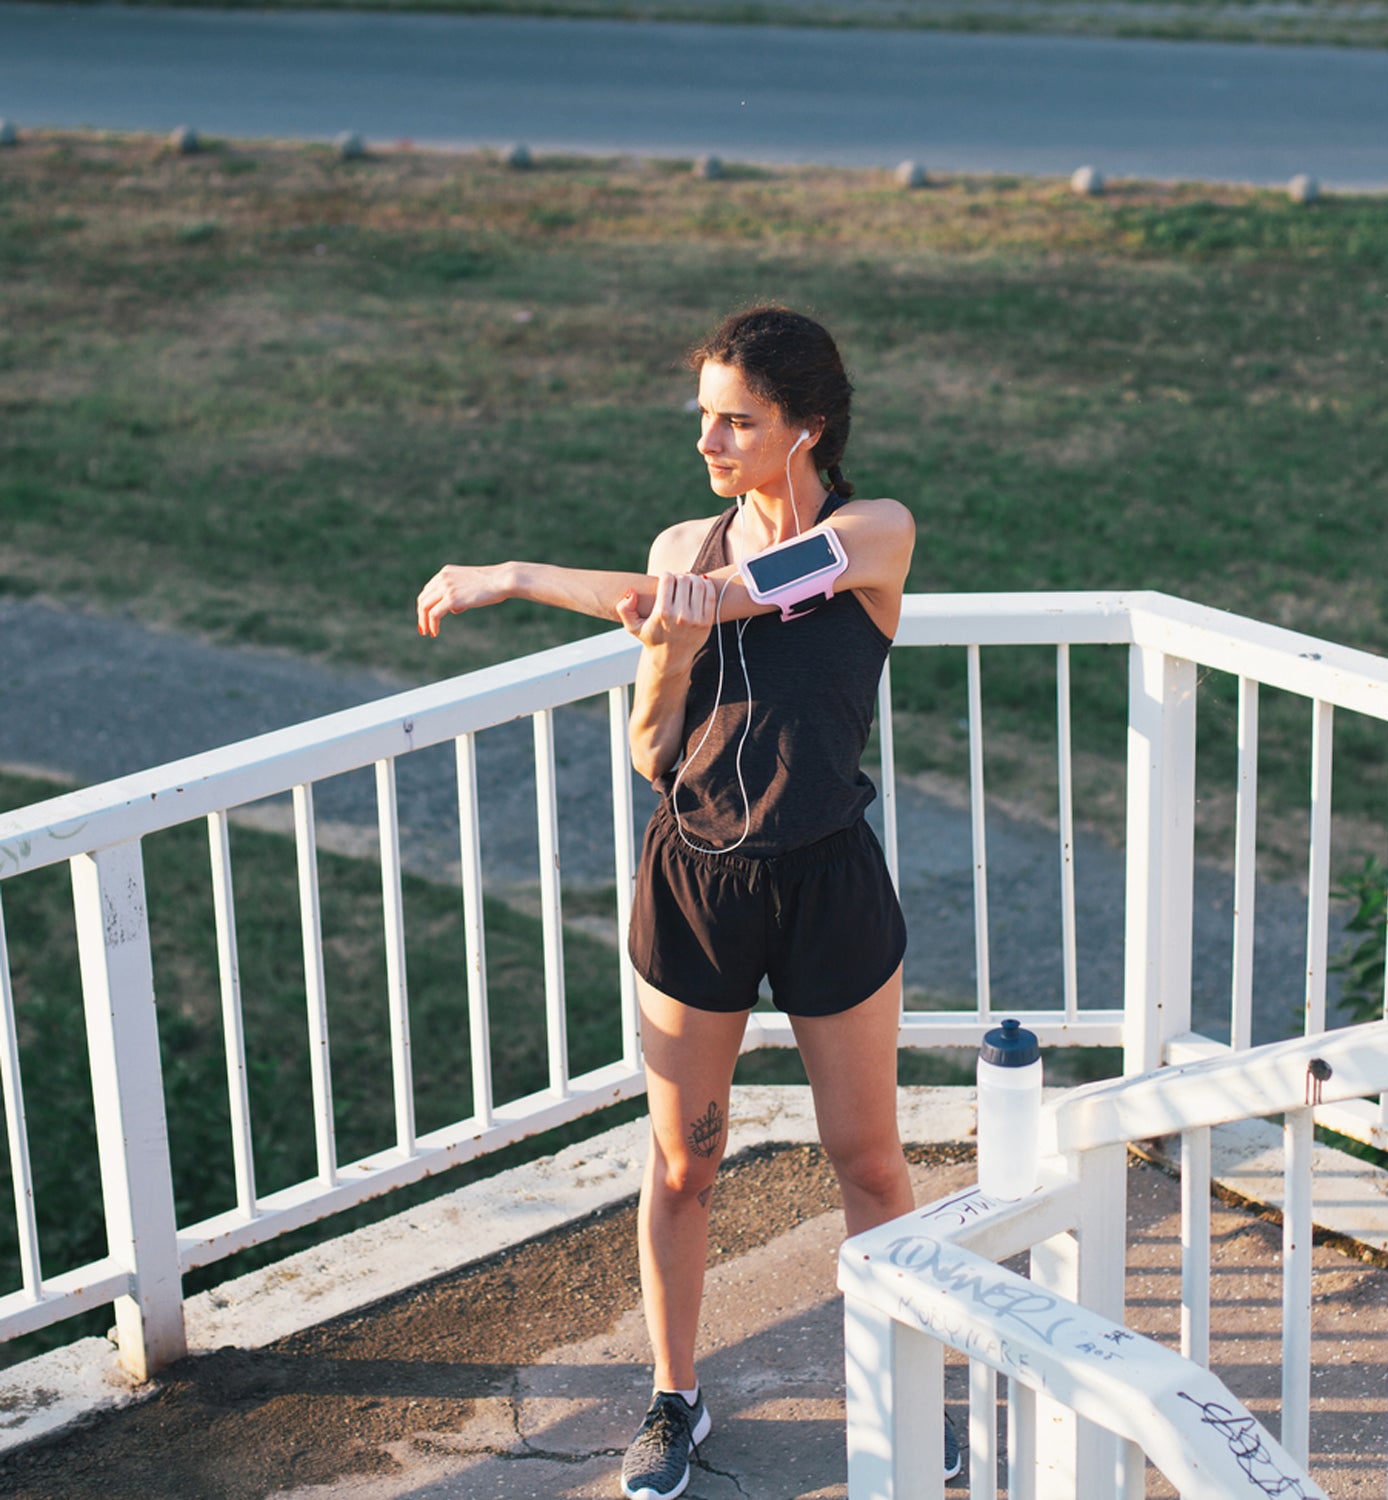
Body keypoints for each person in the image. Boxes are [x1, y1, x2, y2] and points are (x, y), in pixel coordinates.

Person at [417, 305, 954, 1499]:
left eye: (736, 421)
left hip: (829, 878)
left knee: (868, 1161)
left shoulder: (873, 533)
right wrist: (656, 658)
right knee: (681, 1166)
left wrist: (508, 576)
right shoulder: (676, 548)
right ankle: (673, 1399)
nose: (709, 441)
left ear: (804, 427)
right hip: (698, 879)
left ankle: (909, 1391)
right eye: (704, 417)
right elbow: (653, 753)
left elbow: (750, 592)